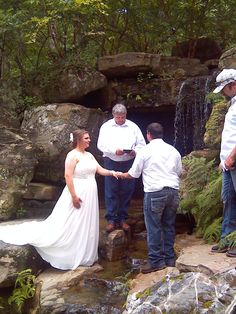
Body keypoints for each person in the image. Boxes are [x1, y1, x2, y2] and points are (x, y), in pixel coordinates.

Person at [0, 129, 119, 270]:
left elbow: (99, 170)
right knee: (72, 220)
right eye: (86, 138)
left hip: (90, 193)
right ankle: (70, 252)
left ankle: (84, 252)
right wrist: (74, 196)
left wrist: (113, 172)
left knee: (85, 221)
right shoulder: (72, 155)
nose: (89, 140)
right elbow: (68, 176)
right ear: (78, 140)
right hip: (77, 191)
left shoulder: (89, 155)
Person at [118, 123, 182, 273]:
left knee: (153, 228)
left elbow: (133, 173)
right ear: (162, 134)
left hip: (155, 193)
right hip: (173, 192)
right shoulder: (173, 150)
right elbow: (179, 172)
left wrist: (120, 174)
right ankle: (170, 259)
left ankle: (156, 262)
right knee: (168, 225)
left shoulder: (145, 151)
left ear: (148, 135)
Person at [97, 104, 146, 233]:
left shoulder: (133, 126)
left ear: (126, 115)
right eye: (118, 117)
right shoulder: (106, 127)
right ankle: (111, 219)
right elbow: (100, 145)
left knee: (127, 190)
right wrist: (114, 151)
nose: (120, 119)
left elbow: (142, 144)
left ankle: (123, 218)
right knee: (111, 190)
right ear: (113, 116)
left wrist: (134, 151)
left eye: (122, 117)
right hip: (111, 161)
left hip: (128, 161)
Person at [211, 69, 236, 258]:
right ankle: (227, 239)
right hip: (228, 165)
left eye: (223, 89)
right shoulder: (232, 104)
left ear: (233, 85)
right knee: (229, 201)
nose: (222, 94)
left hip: (233, 162)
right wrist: (224, 161)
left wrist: (231, 157)